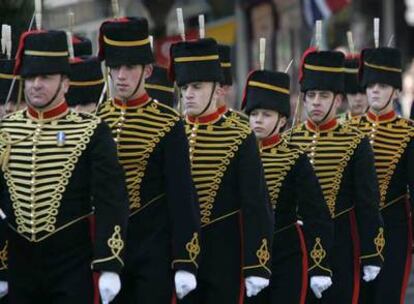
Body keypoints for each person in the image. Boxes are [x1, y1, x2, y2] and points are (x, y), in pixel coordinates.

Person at [0, 29, 129, 304]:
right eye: (31, 77)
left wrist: (109, 262)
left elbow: (111, 199)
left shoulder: (92, 130)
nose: (35, 84)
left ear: (66, 83)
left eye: (45, 77)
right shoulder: (5, 130)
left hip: (71, 263)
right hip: (20, 264)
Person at [96, 17, 201, 303]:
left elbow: (182, 195)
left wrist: (184, 260)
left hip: (153, 249)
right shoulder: (96, 120)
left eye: (129, 67)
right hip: (105, 252)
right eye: (115, 67)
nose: (120, 75)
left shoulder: (168, 123)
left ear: (147, 70)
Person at [170, 37, 273, 303]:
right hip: (176, 253)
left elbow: (255, 203)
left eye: (196, 86)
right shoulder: (171, 131)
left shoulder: (240, 134)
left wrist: (256, 264)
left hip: (225, 253)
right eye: (184, 87)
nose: (188, 93)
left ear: (217, 89)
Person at [289, 48, 384, 304]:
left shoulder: (356, 142)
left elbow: (367, 201)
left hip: (343, 243)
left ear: (338, 100)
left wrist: (371, 254)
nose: (316, 102)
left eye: (324, 95)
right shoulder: (289, 140)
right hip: (297, 246)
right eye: (311, 95)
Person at [245, 68, 334, 303]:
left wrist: (319, 265)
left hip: (287, 252)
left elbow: (316, 214)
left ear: (282, 120)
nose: (258, 120)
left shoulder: (296, 159)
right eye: (254, 114)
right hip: (245, 252)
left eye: (266, 114)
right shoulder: (238, 156)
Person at [349, 47, 414, 304]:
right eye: (371, 84)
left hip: (394, 228)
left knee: (388, 295)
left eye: (383, 85)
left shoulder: (408, 133)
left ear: (396, 91)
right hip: (355, 229)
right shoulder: (350, 129)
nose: (375, 90)